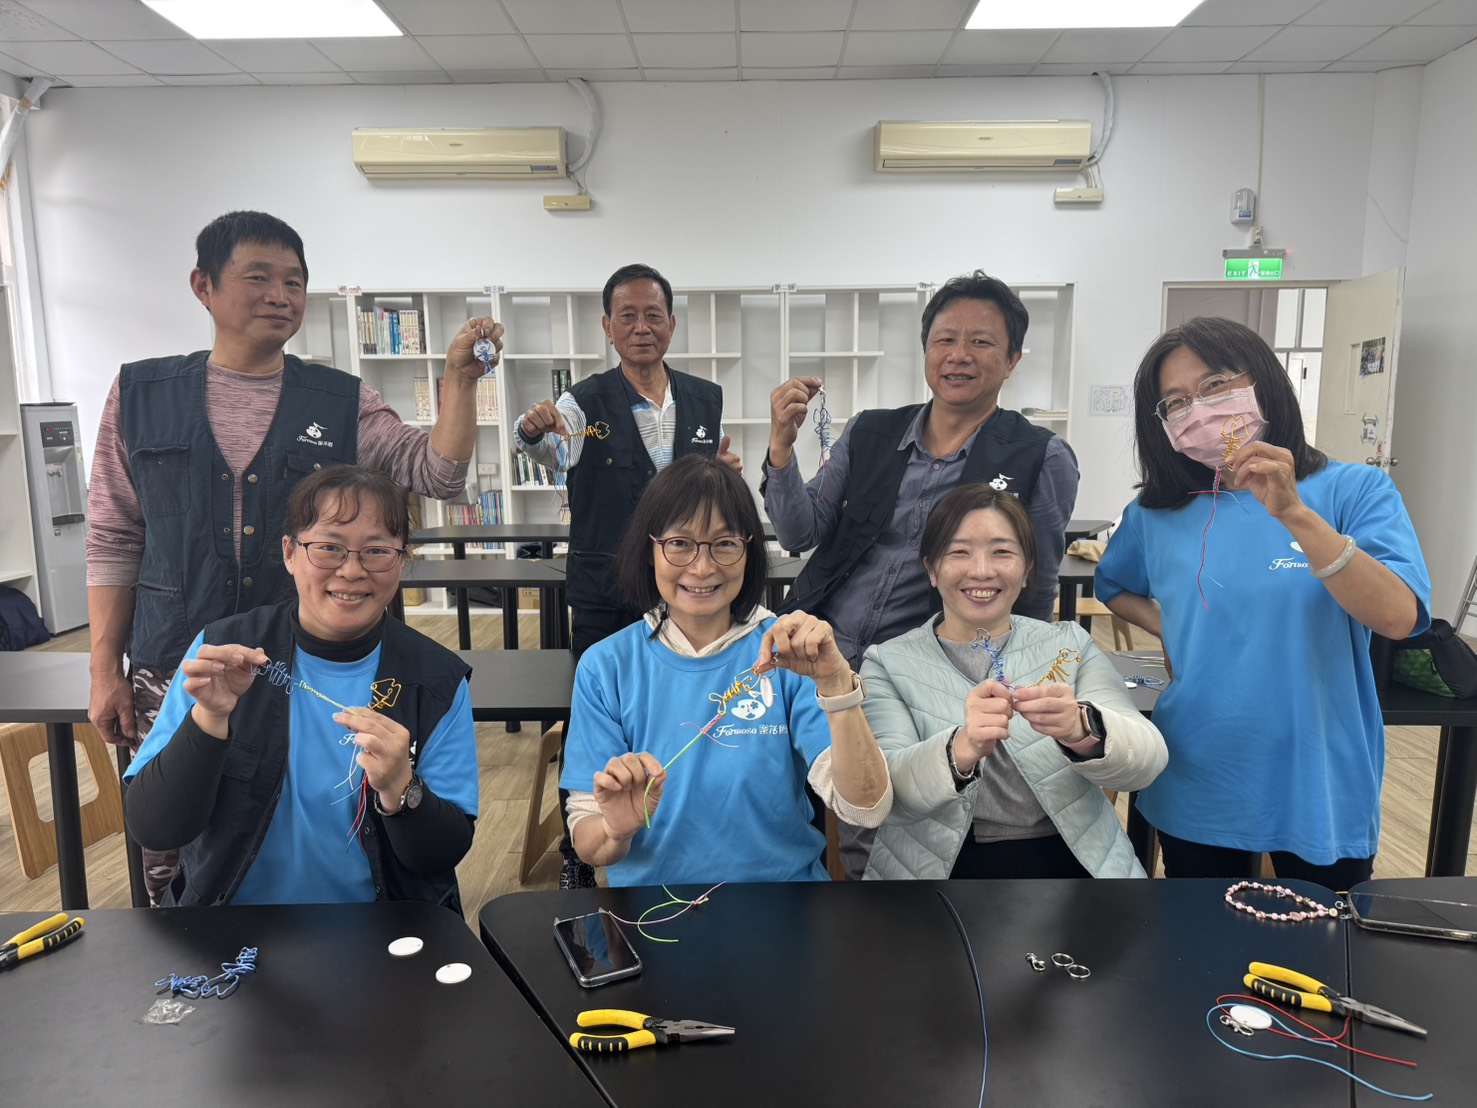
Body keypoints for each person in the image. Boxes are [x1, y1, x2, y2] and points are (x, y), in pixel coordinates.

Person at [86, 210, 500, 903]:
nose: (280, 295)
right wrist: (105, 670)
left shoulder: (339, 399)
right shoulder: (140, 395)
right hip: (180, 662)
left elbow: (435, 473)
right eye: (259, 277)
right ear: (203, 286)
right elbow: (113, 536)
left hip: (313, 657)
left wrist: (458, 384)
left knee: (332, 823)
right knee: (180, 861)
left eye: (295, 282)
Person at [762, 270, 1080, 876]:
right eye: (945, 339)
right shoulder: (869, 432)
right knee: (795, 806)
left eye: (982, 342)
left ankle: (881, 918)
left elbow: (1033, 592)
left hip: (924, 675)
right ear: (926, 348)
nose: (959, 355)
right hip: (816, 659)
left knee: (888, 825)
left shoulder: (1039, 456)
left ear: (1013, 360)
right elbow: (800, 533)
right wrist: (782, 449)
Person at [1098, 317, 1430, 888]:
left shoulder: (1354, 490)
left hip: (1317, 775)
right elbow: (1113, 586)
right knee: (1198, 935)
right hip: (1201, 764)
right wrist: (1171, 624)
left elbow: (1399, 617)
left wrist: (1294, 515)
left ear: (1264, 382)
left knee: (1323, 936)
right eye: (1175, 402)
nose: (1198, 409)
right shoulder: (1156, 513)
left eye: (1215, 385)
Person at [123, 465, 479, 909]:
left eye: (377, 551)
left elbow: (441, 855)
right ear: (290, 553)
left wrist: (400, 789)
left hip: (384, 932)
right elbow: (154, 827)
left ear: (401, 562)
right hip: (230, 927)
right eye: (329, 548)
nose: (352, 570)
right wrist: (209, 719)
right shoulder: (219, 652)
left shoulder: (436, 680)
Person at [558, 455, 892, 886]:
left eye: (725, 543)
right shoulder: (606, 667)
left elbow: (865, 809)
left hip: (786, 905)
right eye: (680, 543)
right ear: (649, 549)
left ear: (748, 551)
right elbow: (589, 843)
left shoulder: (788, 653)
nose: (702, 567)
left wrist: (835, 683)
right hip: (655, 912)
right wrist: (614, 830)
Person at [516, 262, 740, 887]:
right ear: (608, 327)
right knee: (593, 717)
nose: (642, 328)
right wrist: (531, 431)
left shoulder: (705, 398)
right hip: (606, 589)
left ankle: (678, 822)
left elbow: (708, 476)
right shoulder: (582, 402)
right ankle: (579, 850)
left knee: (685, 706)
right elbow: (550, 449)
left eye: (653, 316)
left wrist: (723, 473)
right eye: (628, 317)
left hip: (689, 585)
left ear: (672, 324)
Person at [860, 485, 1165, 880]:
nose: (981, 570)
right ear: (932, 570)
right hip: (935, 868)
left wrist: (1083, 729)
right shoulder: (887, 663)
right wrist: (961, 749)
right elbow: (885, 796)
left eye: (1002, 552)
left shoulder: (1068, 645)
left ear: (1026, 570)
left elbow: (1146, 761)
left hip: (1074, 857)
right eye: (959, 552)